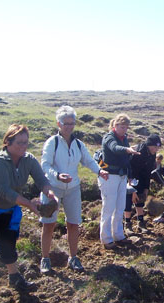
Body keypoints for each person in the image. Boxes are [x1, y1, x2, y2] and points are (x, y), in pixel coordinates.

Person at [0, 124, 56, 303]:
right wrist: (29, 204)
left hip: (7, 207)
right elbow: (4, 190)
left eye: (26, 143)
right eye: (19, 143)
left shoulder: (28, 160)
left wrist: (50, 194)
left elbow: (41, 179)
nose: (23, 147)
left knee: (7, 242)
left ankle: (15, 277)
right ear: (7, 142)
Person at [40, 106, 109, 273]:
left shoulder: (78, 144)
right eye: (66, 123)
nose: (69, 126)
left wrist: (100, 170)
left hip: (73, 188)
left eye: (72, 123)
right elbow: (45, 164)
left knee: (73, 224)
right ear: (59, 123)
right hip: (53, 188)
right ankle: (45, 259)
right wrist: (57, 175)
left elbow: (88, 160)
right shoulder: (52, 142)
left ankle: (73, 257)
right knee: (49, 224)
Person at [98, 114, 140, 250]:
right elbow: (114, 148)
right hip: (109, 177)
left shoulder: (124, 138)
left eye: (126, 127)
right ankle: (106, 239)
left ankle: (118, 235)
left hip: (121, 177)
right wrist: (127, 149)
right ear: (115, 126)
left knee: (120, 207)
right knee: (108, 208)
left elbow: (126, 160)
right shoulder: (109, 137)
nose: (124, 130)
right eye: (122, 127)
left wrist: (130, 176)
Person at [124, 134, 161, 235]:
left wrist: (146, 188)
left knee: (140, 200)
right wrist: (132, 189)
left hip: (141, 179)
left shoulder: (152, 154)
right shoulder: (138, 152)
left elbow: (148, 172)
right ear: (149, 145)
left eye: (158, 147)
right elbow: (130, 169)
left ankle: (141, 223)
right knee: (128, 200)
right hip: (130, 178)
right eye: (155, 147)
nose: (156, 149)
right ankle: (127, 224)